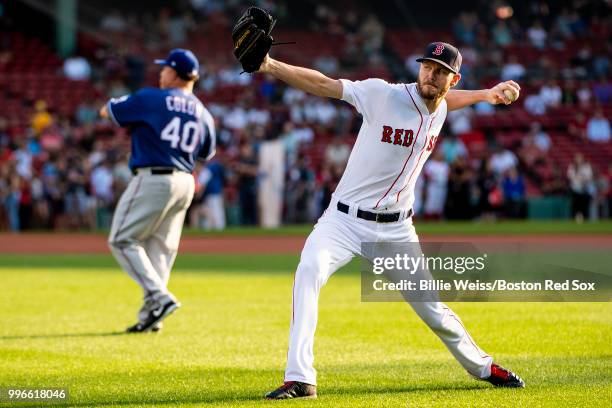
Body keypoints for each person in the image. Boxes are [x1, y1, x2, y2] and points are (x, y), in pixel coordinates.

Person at [258, 42, 525, 400]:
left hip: (396, 231)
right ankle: (301, 378)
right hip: (343, 221)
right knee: (309, 271)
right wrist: (270, 65)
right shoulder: (381, 94)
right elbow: (325, 85)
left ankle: (482, 366)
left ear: (453, 78)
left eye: (441, 70)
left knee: (433, 310)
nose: (431, 74)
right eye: (427, 66)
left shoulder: (441, 108)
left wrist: (486, 95)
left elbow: (446, 101)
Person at [99, 49, 216, 333]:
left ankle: (160, 297)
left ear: (175, 73)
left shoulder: (153, 97)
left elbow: (109, 111)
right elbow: (207, 153)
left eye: (165, 69)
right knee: (160, 251)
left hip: (154, 177)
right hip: (185, 181)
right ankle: (151, 316)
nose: (161, 73)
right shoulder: (204, 112)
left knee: (121, 239)